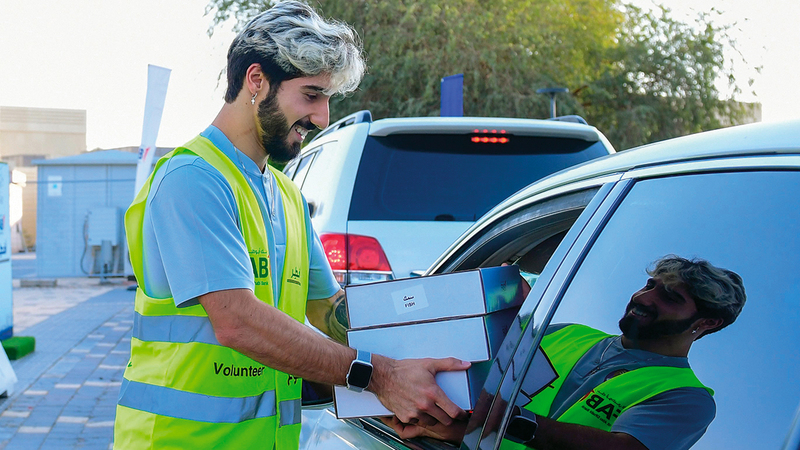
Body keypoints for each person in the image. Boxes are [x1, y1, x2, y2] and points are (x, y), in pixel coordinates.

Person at [112, 2, 469, 448]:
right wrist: (380, 377)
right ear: (256, 80)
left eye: (327, 100)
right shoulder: (192, 178)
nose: (322, 118)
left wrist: (437, 353)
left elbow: (329, 310)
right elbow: (237, 322)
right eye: (311, 95)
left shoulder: (286, 195)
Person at [385, 255, 746, 450]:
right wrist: (446, 425)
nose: (644, 297)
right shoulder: (566, 333)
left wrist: (500, 420)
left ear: (707, 323)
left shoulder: (686, 397)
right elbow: (469, 376)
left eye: (669, 296)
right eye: (649, 285)